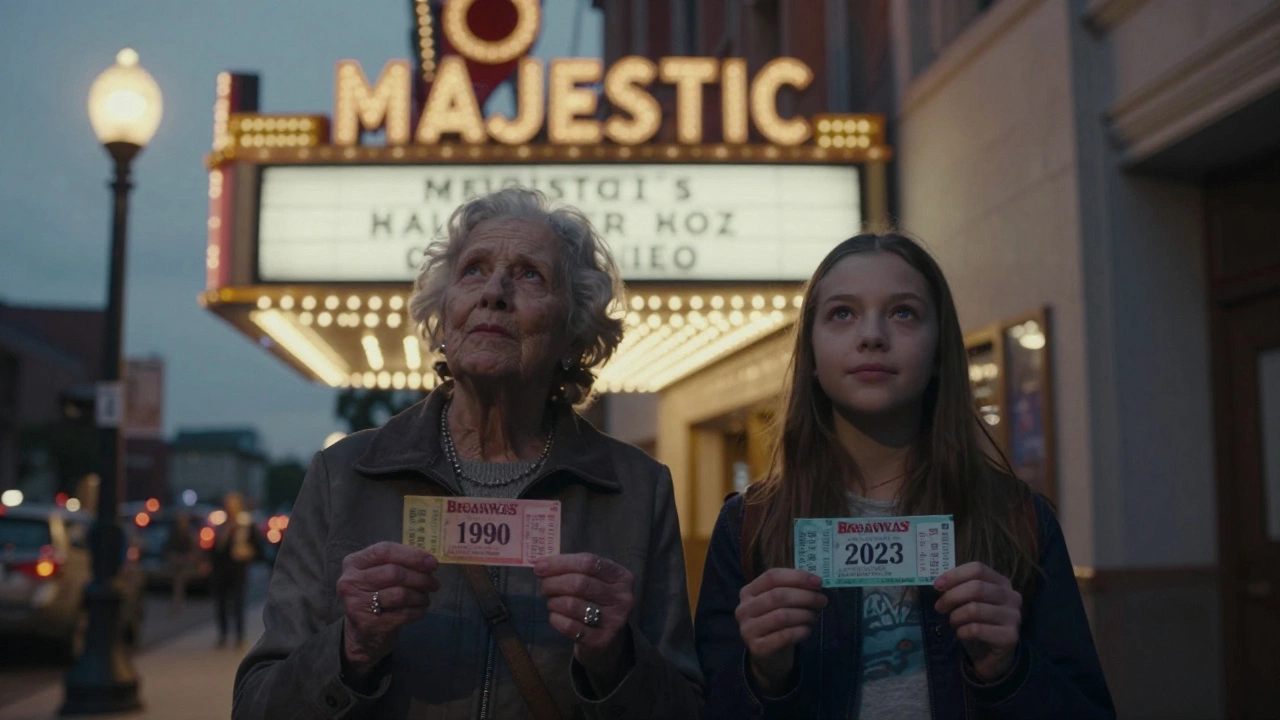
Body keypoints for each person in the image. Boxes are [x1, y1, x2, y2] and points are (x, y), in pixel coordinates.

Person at [233, 188, 702, 719]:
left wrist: (618, 662)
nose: (494, 292)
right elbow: (255, 707)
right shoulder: (343, 476)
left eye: (530, 275)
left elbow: (687, 706)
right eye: (473, 270)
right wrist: (352, 650)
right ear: (445, 314)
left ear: (574, 331)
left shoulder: (637, 489)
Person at [694, 233, 1114, 719]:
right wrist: (762, 675)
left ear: (939, 352)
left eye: (903, 312)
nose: (872, 335)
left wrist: (1009, 668)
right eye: (842, 313)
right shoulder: (749, 527)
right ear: (810, 354)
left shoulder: (1020, 520)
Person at [213, 492, 261, 648]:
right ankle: (223, 635)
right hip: (222, 567)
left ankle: (239, 636)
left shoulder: (246, 524)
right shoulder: (220, 524)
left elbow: (258, 547)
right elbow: (214, 548)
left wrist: (248, 551)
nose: (230, 509)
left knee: (238, 601)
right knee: (221, 602)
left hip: (239, 567)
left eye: (233, 505)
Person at [164, 510, 197, 611]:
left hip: (184, 561)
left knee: (179, 581)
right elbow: (168, 547)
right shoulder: (174, 533)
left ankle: (178, 602)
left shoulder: (188, 533)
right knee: (177, 582)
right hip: (175, 561)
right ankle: (177, 602)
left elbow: (192, 548)